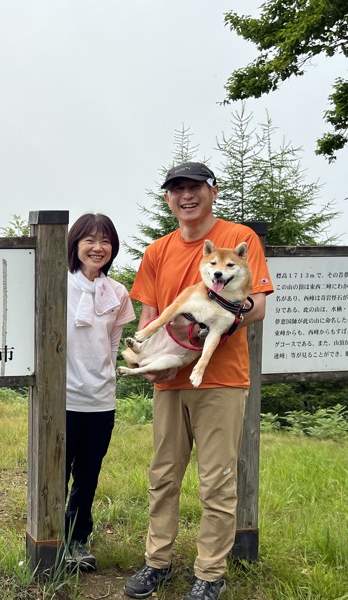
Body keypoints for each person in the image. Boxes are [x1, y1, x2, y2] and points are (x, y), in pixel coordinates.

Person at [123, 163, 274, 600]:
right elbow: (151, 315)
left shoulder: (240, 240)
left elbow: (257, 305)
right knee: (164, 474)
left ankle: (209, 574)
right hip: (168, 381)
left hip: (222, 380)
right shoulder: (157, 251)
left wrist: (220, 322)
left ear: (213, 191)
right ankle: (157, 563)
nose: (185, 196)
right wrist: (152, 358)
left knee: (216, 480)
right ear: (168, 198)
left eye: (194, 188)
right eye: (176, 190)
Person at [64, 213, 135, 570]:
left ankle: (76, 541)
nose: (97, 247)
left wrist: (106, 380)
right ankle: (46, 539)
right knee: (54, 474)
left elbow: (112, 344)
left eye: (105, 241)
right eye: (89, 240)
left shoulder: (117, 292)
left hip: (101, 402)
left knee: (88, 477)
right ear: (75, 244)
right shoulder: (58, 284)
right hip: (61, 399)